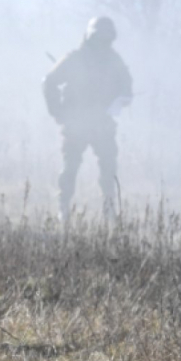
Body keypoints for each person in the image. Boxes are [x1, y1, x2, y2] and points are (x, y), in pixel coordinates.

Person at [43, 16, 133, 221]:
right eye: (99, 38)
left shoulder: (114, 61)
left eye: (106, 39)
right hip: (76, 123)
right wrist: (58, 113)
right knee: (70, 168)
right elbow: (48, 83)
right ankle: (63, 208)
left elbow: (127, 88)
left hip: (103, 122)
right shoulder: (74, 59)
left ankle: (109, 210)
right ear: (91, 37)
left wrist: (120, 100)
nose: (103, 43)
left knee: (108, 169)